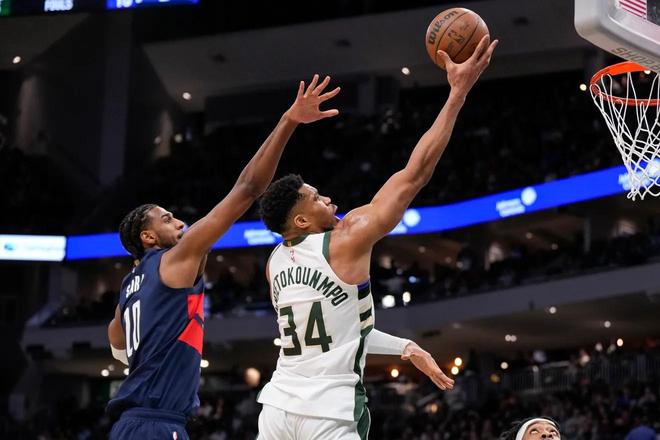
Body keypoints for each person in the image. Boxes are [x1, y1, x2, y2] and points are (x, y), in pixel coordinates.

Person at [256, 35, 498, 439]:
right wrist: (457, 94)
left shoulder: (273, 264)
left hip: (277, 408)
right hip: (329, 411)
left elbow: (338, 336)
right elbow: (414, 174)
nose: (327, 198)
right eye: (316, 198)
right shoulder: (346, 238)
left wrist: (406, 347)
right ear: (301, 220)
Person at [105, 74, 341, 440]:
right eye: (167, 219)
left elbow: (120, 350)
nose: (180, 222)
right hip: (157, 423)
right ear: (148, 237)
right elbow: (248, 188)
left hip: (127, 425)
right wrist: (288, 120)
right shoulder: (175, 259)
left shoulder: (126, 291)